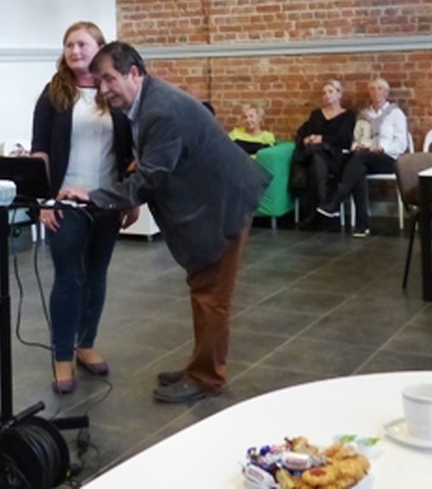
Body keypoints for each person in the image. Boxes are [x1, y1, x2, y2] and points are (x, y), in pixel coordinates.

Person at [59, 42, 270, 404]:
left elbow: (152, 177)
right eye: (99, 82)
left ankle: (207, 378)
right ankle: (199, 366)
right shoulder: (148, 102)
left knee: (211, 297)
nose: (104, 89)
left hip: (223, 204)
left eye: (109, 79)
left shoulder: (160, 110)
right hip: (213, 200)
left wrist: (94, 196)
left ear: (134, 73)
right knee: (203, 289)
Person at [30, 21, 137, 395]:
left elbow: (130, 151)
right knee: (68, 278)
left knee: (96, 275)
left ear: (100, 48)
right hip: (64, 203)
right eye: (69, 45)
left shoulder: (114, 93)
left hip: (106, 199)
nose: (75, 51)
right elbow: (40, 150)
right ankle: (63, 356)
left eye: (82, 45)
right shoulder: (54, 94)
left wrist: (129, 198)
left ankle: (85, 343)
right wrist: (44, 200)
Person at [317, 78, 408, 237]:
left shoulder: (396, 114)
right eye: (372, 89)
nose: (376, 92)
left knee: (358, 160)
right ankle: (362, 225)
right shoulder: (363, 115)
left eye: (379, 89)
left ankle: (336, 201)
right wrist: (357, 146)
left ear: (386, 93)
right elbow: (356, 139)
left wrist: (381, 148)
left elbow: (402, 143)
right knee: (358, 168)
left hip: (387, 158)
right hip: (364, 156)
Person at [294, 80, 356, 223]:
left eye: (330, 92)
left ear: (339, 94)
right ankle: (325, 204)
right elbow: (307, 133)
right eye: (324, 93)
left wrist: (322, 138)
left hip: (336, 156)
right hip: (317, 155)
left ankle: (317, 210)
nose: (327, 95)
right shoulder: (316, 114)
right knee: (316, 157)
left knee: (315, 156)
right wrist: (308, 139)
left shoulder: (347, 115)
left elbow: (344, 139)